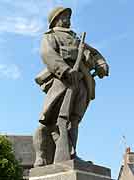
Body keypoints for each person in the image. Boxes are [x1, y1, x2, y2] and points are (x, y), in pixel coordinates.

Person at [33, 7, 109, 167]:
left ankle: (71, 153)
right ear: (55, 20)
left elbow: (95, 54)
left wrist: (101, 64)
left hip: (82, 81)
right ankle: (42, 157)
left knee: (74, 120)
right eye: (64, 16)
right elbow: (48, 54)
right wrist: (66, 70)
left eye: (68, 16)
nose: (68, 19)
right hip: (63, 81)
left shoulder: (76, 38)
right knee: (49, 120)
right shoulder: (51, 36)